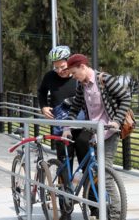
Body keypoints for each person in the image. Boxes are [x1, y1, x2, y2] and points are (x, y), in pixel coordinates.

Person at [62, 54, 131, 220]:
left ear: (82, 67)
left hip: (109, 132)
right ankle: (95, 208)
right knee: (92, 170)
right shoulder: (81, 86)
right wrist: (66, 127)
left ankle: (115, 215)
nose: (73, 77)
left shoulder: (105, 80)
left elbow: (125, 98)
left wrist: (116, 120)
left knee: (105, 174)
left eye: (74, 72)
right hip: (94, 132)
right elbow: (75, 107)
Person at [37, 46, 89, 220]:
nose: (59, 71)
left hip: (81, 126)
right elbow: (41, 91)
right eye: (56, 67)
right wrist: (43, 106)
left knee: (87, 165)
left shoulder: (77, 76)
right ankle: (65, 211)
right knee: (63, 167)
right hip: (60, 126)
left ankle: (95, 208)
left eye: (63, 67)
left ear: (70, 63)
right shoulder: (50, 77)